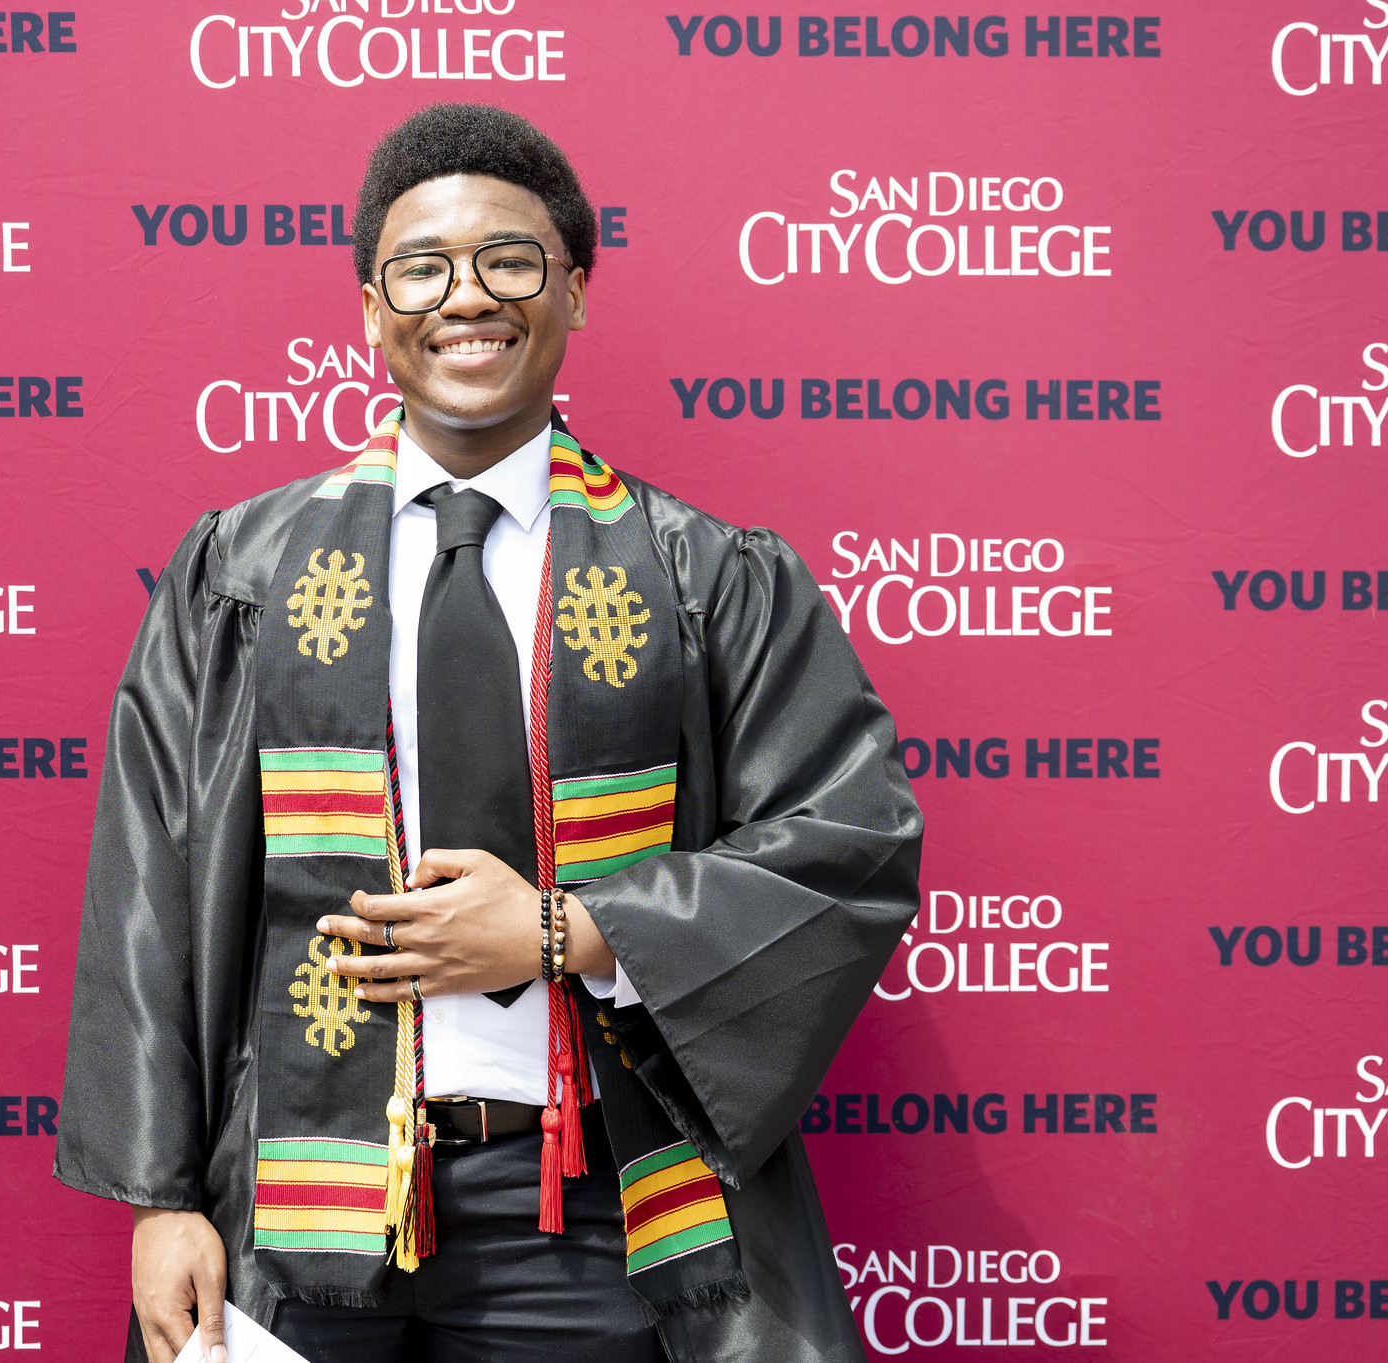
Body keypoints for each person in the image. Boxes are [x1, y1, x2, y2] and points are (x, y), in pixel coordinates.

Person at [57, 103, 923, 1363]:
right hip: (293, 1221)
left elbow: (850, 841)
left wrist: (566, 931)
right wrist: (158, 1199)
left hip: (580, 1217)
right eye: (422, 268)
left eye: (509, 261)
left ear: (574, 290)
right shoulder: (239, 574)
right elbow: (148, 889)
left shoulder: (701, 577)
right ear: (369, 308)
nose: (465, 297)